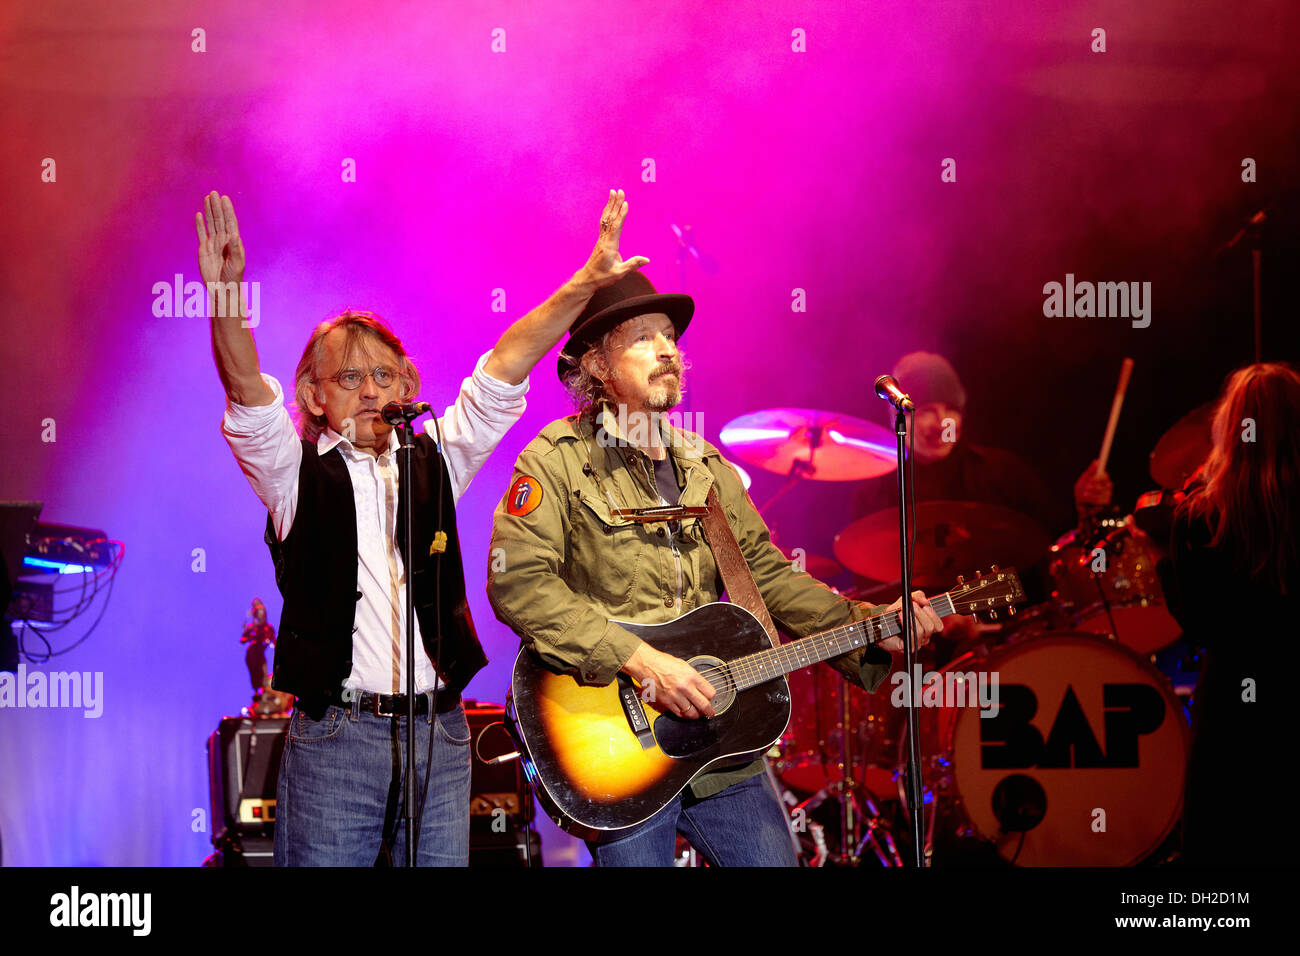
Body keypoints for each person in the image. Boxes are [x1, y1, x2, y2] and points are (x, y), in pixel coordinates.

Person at [201, 187, 649, 866]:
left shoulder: (432, 454)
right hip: (337, 739)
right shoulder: (292, 473)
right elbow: (244, 390)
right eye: (351, 377)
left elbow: (504, 366)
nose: (374, 390)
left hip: (438, 735)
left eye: (386, 375)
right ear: (316, 397)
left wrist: (586, 282)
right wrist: (228, 296)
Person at [486, 272, 943, 866]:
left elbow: (769, 575)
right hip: (620, 748)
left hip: (720, 744)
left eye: (670, 336)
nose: (668, 350)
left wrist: (871, 621)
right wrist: (643, 661)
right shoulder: (556, 460)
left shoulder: (706, 467)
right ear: (597, 365)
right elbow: (517, 581)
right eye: (644, 338)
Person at [1167, 362, 1299, 867]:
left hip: (1234, 710)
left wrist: (1162, 558)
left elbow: (1198, 623)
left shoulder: (1198, 517)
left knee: (1224, 848)